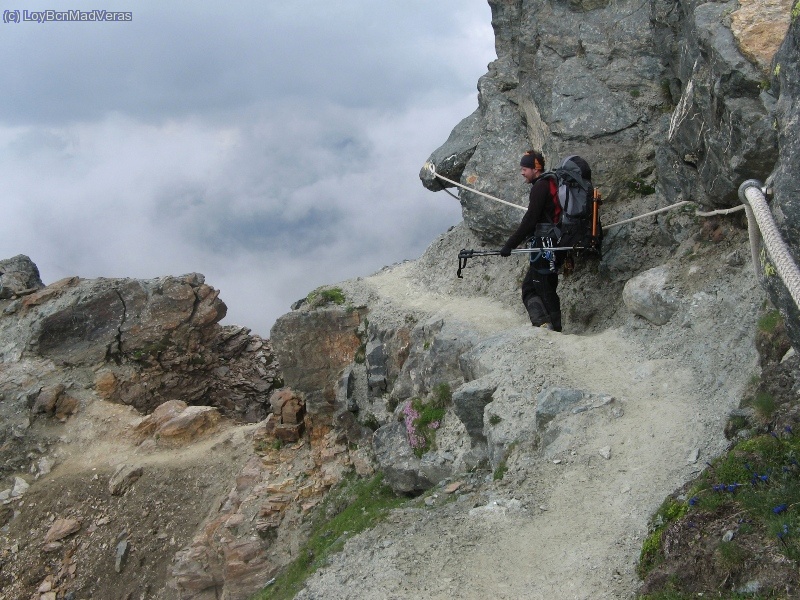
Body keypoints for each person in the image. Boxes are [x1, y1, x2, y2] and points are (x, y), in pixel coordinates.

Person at [499, 150, 562, 331]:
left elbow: (530, 219)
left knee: (541, 287)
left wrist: (510, 245)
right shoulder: (550, 183)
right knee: (533, 286)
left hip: (545, 244)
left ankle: (552, 328)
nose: (522, 172)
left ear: (536, 169)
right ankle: (545, 324)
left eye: (525, 168)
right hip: (553, 241)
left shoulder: (540, 187)